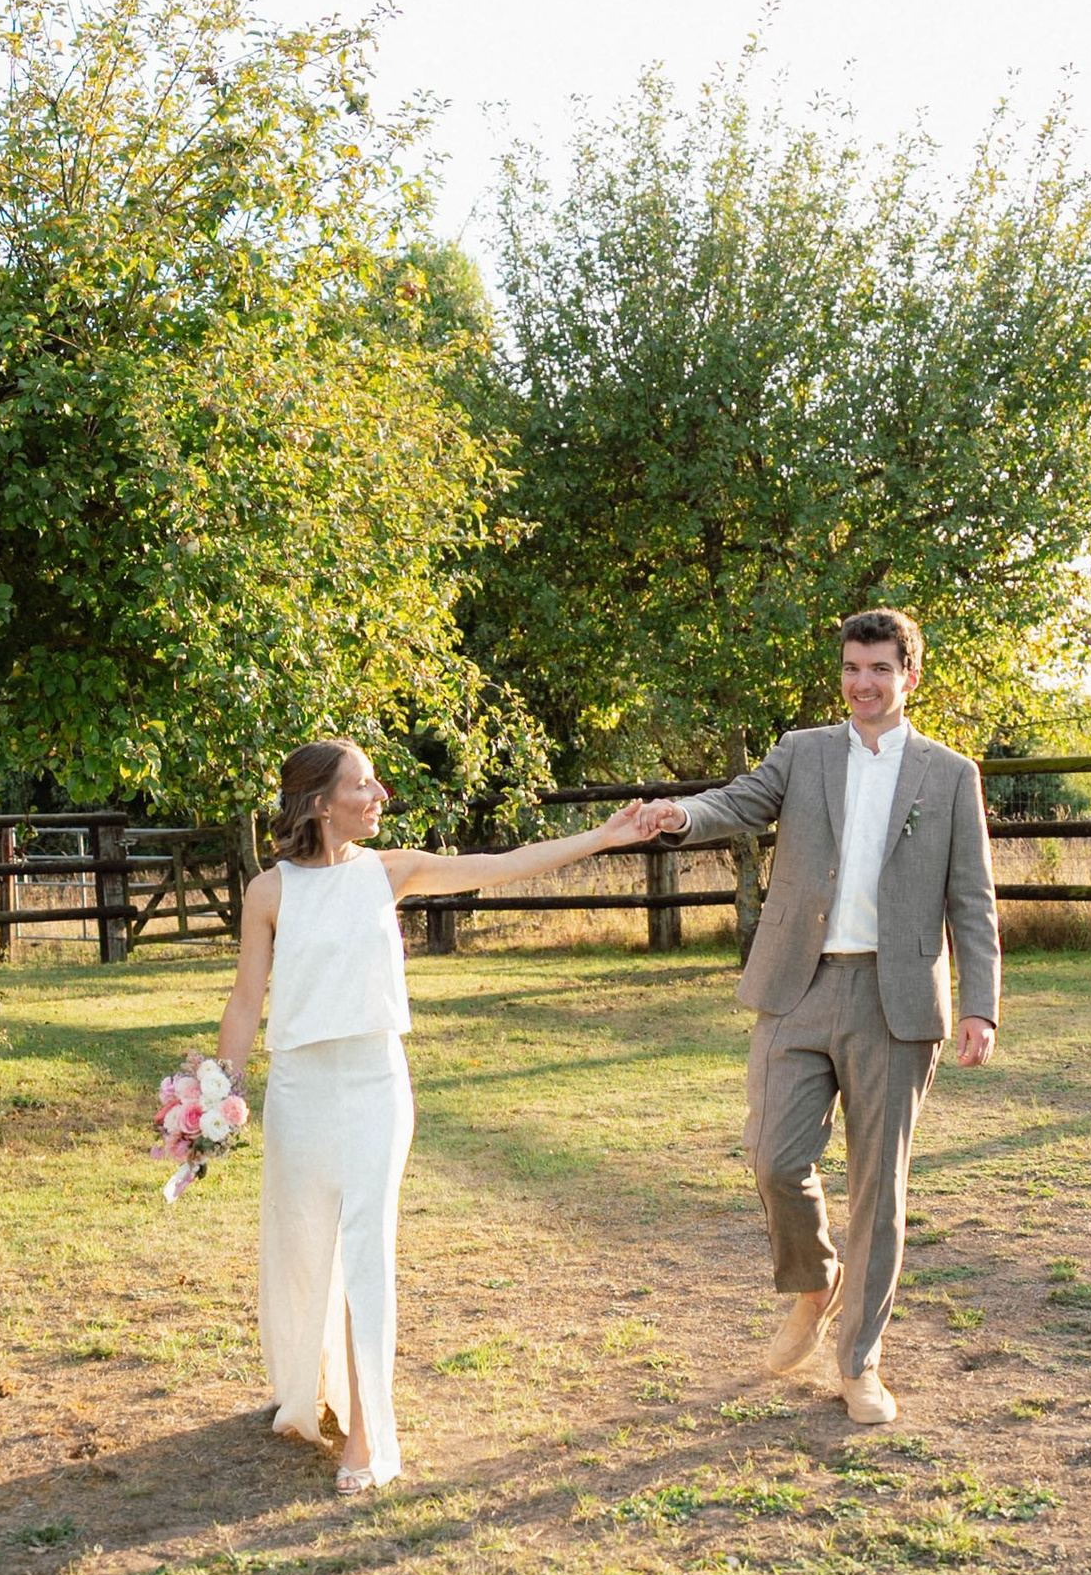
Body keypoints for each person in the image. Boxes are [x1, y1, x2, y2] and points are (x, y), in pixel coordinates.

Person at [215, 743, 661, 1493]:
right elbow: (245, 1001)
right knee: (299, 1249)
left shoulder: (392, 872)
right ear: (320, 802)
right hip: (299, 1091)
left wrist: (603, 837)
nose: (380, 792)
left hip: (372, 1085)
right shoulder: (270, 891)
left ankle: (367, 1434)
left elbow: (509, 861)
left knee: (365, 1253)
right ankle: (306, 1387)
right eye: (363, 784)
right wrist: (218, 1096)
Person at [630, 607, 999, 1427]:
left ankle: (859, 1361)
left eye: (879, 670)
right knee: (772, 1158)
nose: (862, 684)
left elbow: (972, 899)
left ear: (910, 677)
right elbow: (739, 802)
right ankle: (813, 1280)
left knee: (879, 1191)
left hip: (897, 1000)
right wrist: (680, 817)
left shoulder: (950, 775)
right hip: (796, 985)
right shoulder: (803, 753)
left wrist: (981, 1005)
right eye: (851, 668)